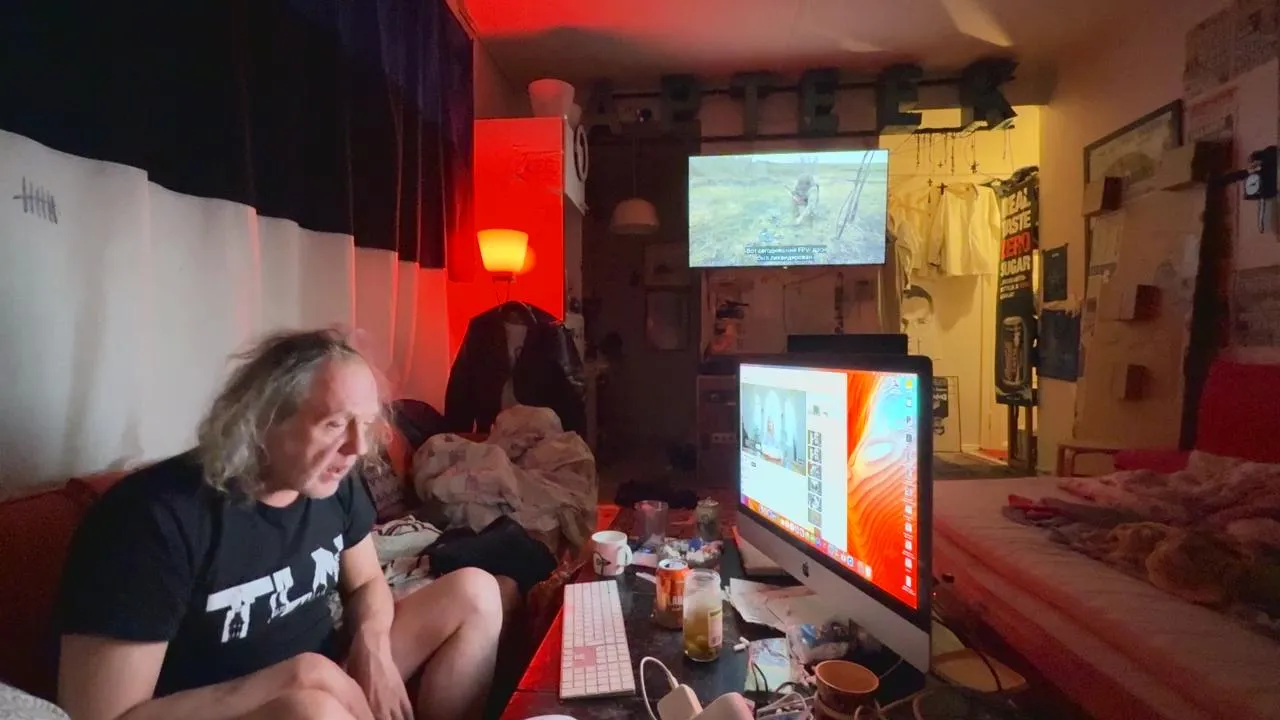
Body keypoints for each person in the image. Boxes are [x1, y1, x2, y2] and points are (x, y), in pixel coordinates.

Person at [55, 329, 505, 720]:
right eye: (334, 424)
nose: (357, 448)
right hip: (233, 707)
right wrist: (298, 676)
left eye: (365, 425)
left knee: (477, 592)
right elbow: (101, 716)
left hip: (327, 678)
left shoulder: (333, 483)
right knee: (310, 709)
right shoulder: (150, 521)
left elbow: (368, 581)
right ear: (262, 421)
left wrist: (372, 646)